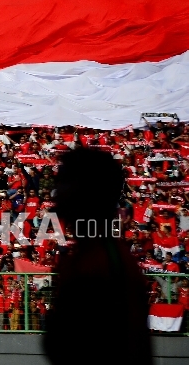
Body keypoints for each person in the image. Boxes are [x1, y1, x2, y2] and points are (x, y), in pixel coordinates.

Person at [44, 148, 152, 365]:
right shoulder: (104, 254)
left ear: (83, 193)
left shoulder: (95, 266)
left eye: (63, 183)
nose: (55, 195)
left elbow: (72, 346)